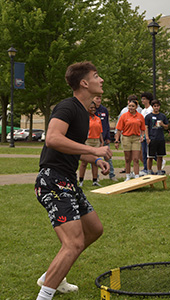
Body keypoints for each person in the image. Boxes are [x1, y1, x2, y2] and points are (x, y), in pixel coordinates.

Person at [35, 61, 111, 300]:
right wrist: (95, 150)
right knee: (74, 242)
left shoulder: (83, 112)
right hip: (53, 181)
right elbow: (53, 139)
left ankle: (51, 275)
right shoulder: (67, 107)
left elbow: (71, 149)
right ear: (84, 83)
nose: (101, 80)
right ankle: (44, 296)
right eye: (96, 76)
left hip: (68, 181)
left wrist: (94, 159)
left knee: (94, 229)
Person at [115, 99, 145, 181]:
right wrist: (117, 140)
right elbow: (118, 129)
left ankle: (136, 176)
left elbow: (143, 129)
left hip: (136, 138)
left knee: (136, 158)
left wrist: (142, 136)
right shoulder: (124, 116)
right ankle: (128, 176)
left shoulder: (140, 116)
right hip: (126, 137)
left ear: (136, 107)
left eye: (133, 106)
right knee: (128, 158)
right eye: (129, 106)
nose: (131, 108)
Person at [78, 101, 104, 187]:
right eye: (91, 108)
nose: (93, 109)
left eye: (94, 108)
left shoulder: (98, 119)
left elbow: (100, 131)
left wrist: (101, 141)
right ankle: (81, 180)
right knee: (84, 162)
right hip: (87, 141)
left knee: (95, 161)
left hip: (96, 141)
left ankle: (95, 180)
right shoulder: (84, 118)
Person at [94, 95, 117, 181]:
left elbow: (107, 124)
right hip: (95, 138)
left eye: (100, 98)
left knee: (108, 158)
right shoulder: (91, 109)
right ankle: (96, 177)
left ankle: (112, 174)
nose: (99, 100)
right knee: (96, 158)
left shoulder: (104, 110)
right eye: (97, 98)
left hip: (104, 137)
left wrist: (108, 137)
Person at [144, 99, 169, 175]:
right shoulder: (148, 116)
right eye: (155, 106)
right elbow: (146, 127)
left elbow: (167, 127)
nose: (156, 107)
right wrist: (147, 137)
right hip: (152, 138)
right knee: (150, 156)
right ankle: (149, 170)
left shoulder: (162, 116)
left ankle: (159, 170)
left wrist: (163, 125)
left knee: (160, 156)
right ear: (152, 107)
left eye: (158, 106)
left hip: (160, 138)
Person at [140, 92, 154, 175]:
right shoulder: (143, 110)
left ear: (148, 100)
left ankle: (149, 168)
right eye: (142, 99)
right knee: (143, 152)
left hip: (149, 133)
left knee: (149, 152)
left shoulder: (150, 110)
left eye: (144, 99)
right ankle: (145, 167)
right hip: (143, 133)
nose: (142, 100)